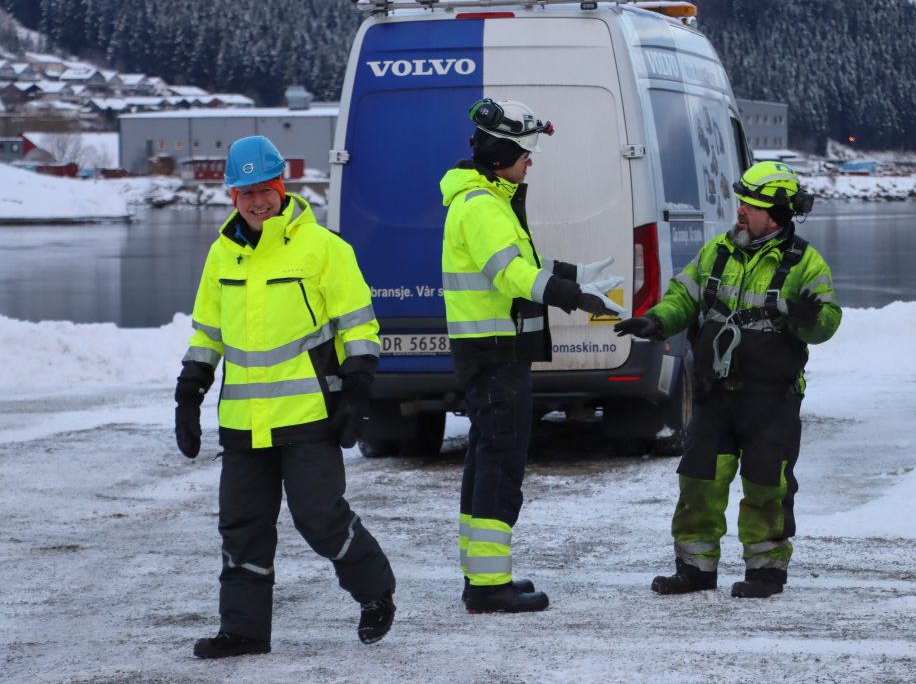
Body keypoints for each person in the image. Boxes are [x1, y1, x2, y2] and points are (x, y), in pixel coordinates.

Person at [173, 135, 396, 658]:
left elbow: (359, 327)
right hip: (244, 422)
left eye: (266, 189)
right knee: (242, 527)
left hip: (309, 416)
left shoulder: (324, 248)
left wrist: (357, 393)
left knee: (319, 518)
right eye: (246, 191)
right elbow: (208, 334)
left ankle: (375, 591)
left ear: (283, 186)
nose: (257, 201)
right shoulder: (222, 254)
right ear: (232, 195)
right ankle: (245, 630)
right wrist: (189, 392)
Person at [615, 160, 841, 599]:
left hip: (771, 400)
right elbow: (684, 296)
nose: (740, 211)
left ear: (775, 213)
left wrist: (809, 319)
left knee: (766, 485)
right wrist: (657, 322)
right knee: (699, 481)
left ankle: (765, 572)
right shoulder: (717, 251)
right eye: (741, 202)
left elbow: (827, 322)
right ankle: (695, 569)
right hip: (715, 394)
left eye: (750, 205)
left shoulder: (806, 264)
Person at [441, 98, 625, 613]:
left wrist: (578, 275)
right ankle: (488, 586)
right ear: (500, 155)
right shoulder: (480, 206)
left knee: (486, 458)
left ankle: (482, 577)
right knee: (500, 462)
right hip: (495, 353)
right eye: (525, 153)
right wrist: (578, 299)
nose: (531, 162)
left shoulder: (488, 200)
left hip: (493, 351)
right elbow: (512, 276)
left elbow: (527, 263)